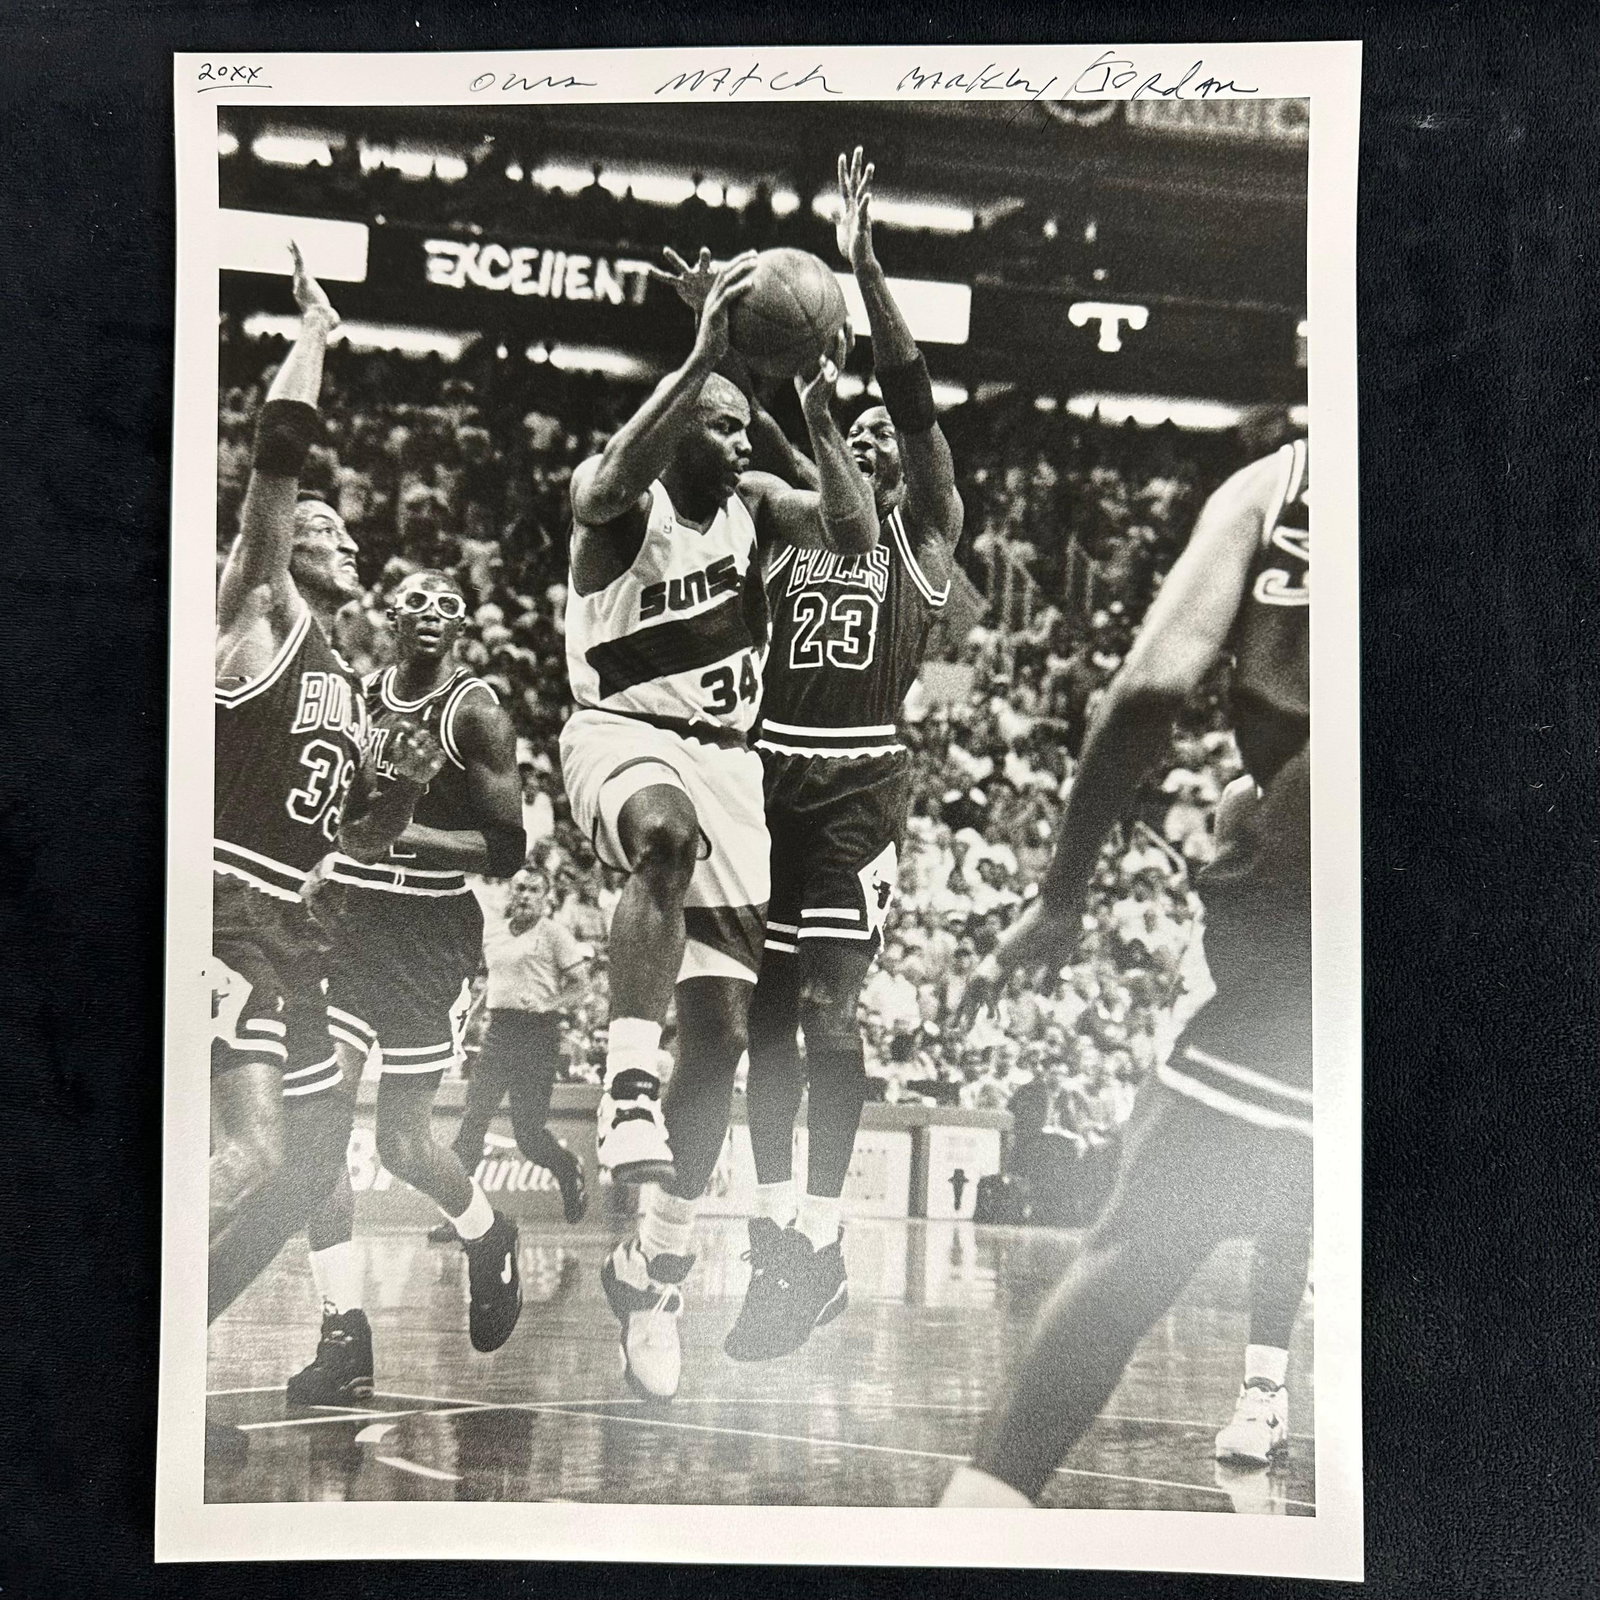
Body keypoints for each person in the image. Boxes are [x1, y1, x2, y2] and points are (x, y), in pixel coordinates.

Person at [940, 436, 1311, 1505]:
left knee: (1137, 1245)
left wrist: (1062, 895)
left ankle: (975, 1526)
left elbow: (1150, 688)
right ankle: (1266, 1388)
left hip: (1311, 877)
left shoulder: (1277, 484)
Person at [561, 250, 879, 1400]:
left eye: (748, 429)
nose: (741, 444)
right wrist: (700, 356)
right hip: (622, 734)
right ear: (680, 424)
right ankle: (622, 1083)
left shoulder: (752, 509)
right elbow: (601, 486)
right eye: (724, 426)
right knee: (662, 836)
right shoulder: (623, 512)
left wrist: (812, 406)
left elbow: (852, 534)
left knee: (726, 1040)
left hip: (732, 769)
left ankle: (655, 1266)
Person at [727, 147, 963, 1361]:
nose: (870, 438)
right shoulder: (781, 518)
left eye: (880, 436)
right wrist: (719, 331)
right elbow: (753, 418)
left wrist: (865, 270)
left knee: (828, 1005)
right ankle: (781, 1239)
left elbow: (911, 402)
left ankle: (822, 1233)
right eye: (850, 428)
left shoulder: (925, 534)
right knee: (758, 1015)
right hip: (766, 768)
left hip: (860, 777)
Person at [209, 246, 441, 1328]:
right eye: (326, 531)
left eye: (347, 535)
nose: (349, 544)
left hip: (298, 930)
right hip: (230, 903)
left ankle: (185, 1330)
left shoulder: (349, 681)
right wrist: (313, 334)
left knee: (305, 1172)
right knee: (254, 1153)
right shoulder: (259, 613)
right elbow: (275, 464)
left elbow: (354, 834)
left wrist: (399, 796)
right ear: (286, 548)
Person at [287, 568, 527, 1404]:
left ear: (462, 626)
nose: (430, 614)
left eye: (446, 605)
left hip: (429, 934)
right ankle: (343, 1332)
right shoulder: (359, 700)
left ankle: (488, 1233)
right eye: (415, 603)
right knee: (318, 1127)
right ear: (391, 618)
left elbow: (507, 850)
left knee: (401, 1145)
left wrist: (397, 831)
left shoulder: (475, 712)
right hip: (351, 924)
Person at [425, 866, 591, 1241]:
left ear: (546, 897)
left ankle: (568, 1169)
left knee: (528, 1136)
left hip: (538, 1034)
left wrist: (550, 1003)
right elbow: (481, 977)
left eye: (534, 890)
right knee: (472, 1122)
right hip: (500, 1031)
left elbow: (580, 985)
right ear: (511, 894)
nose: (525, 896)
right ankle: (459, 1217)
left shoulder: (555, 934)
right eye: (520, 889)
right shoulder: (494, 933)